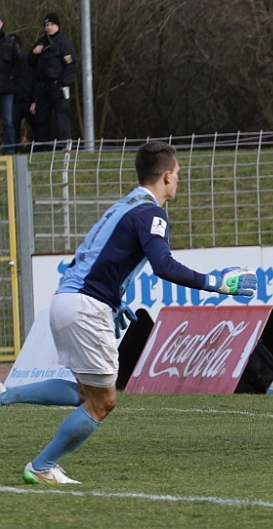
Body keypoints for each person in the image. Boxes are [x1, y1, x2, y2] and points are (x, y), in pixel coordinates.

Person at [0, 141, 258, 485]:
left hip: (68, 299)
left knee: (84, 392)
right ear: (166, 177)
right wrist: (218, 284)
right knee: (103, 402)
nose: (178, 180)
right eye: (177, 174)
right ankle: (42, 466)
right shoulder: (151, 213)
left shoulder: (123, 206)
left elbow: (94, 254)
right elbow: (163, 265)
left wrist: (114, 298)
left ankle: (6, 394)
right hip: (86, 306)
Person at [28, 13, 77, 150]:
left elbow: (71, 65)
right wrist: (34, 53)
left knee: (61, 115)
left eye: (52, 25)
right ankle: (43, 148)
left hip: (58, 85)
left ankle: (64, 146)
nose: (49, 27)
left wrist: (63, 83)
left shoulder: (64, 43)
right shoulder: (40, 42)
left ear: (58, 26)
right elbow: (30, 63)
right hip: (42, 86)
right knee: (42, 118)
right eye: (47, 25)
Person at [0, 14, 21, 154]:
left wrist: (11, 77)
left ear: (1, 23)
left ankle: (10, 151)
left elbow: (18, 64)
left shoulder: (10, 43)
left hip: (7, 90)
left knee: (8, 121)